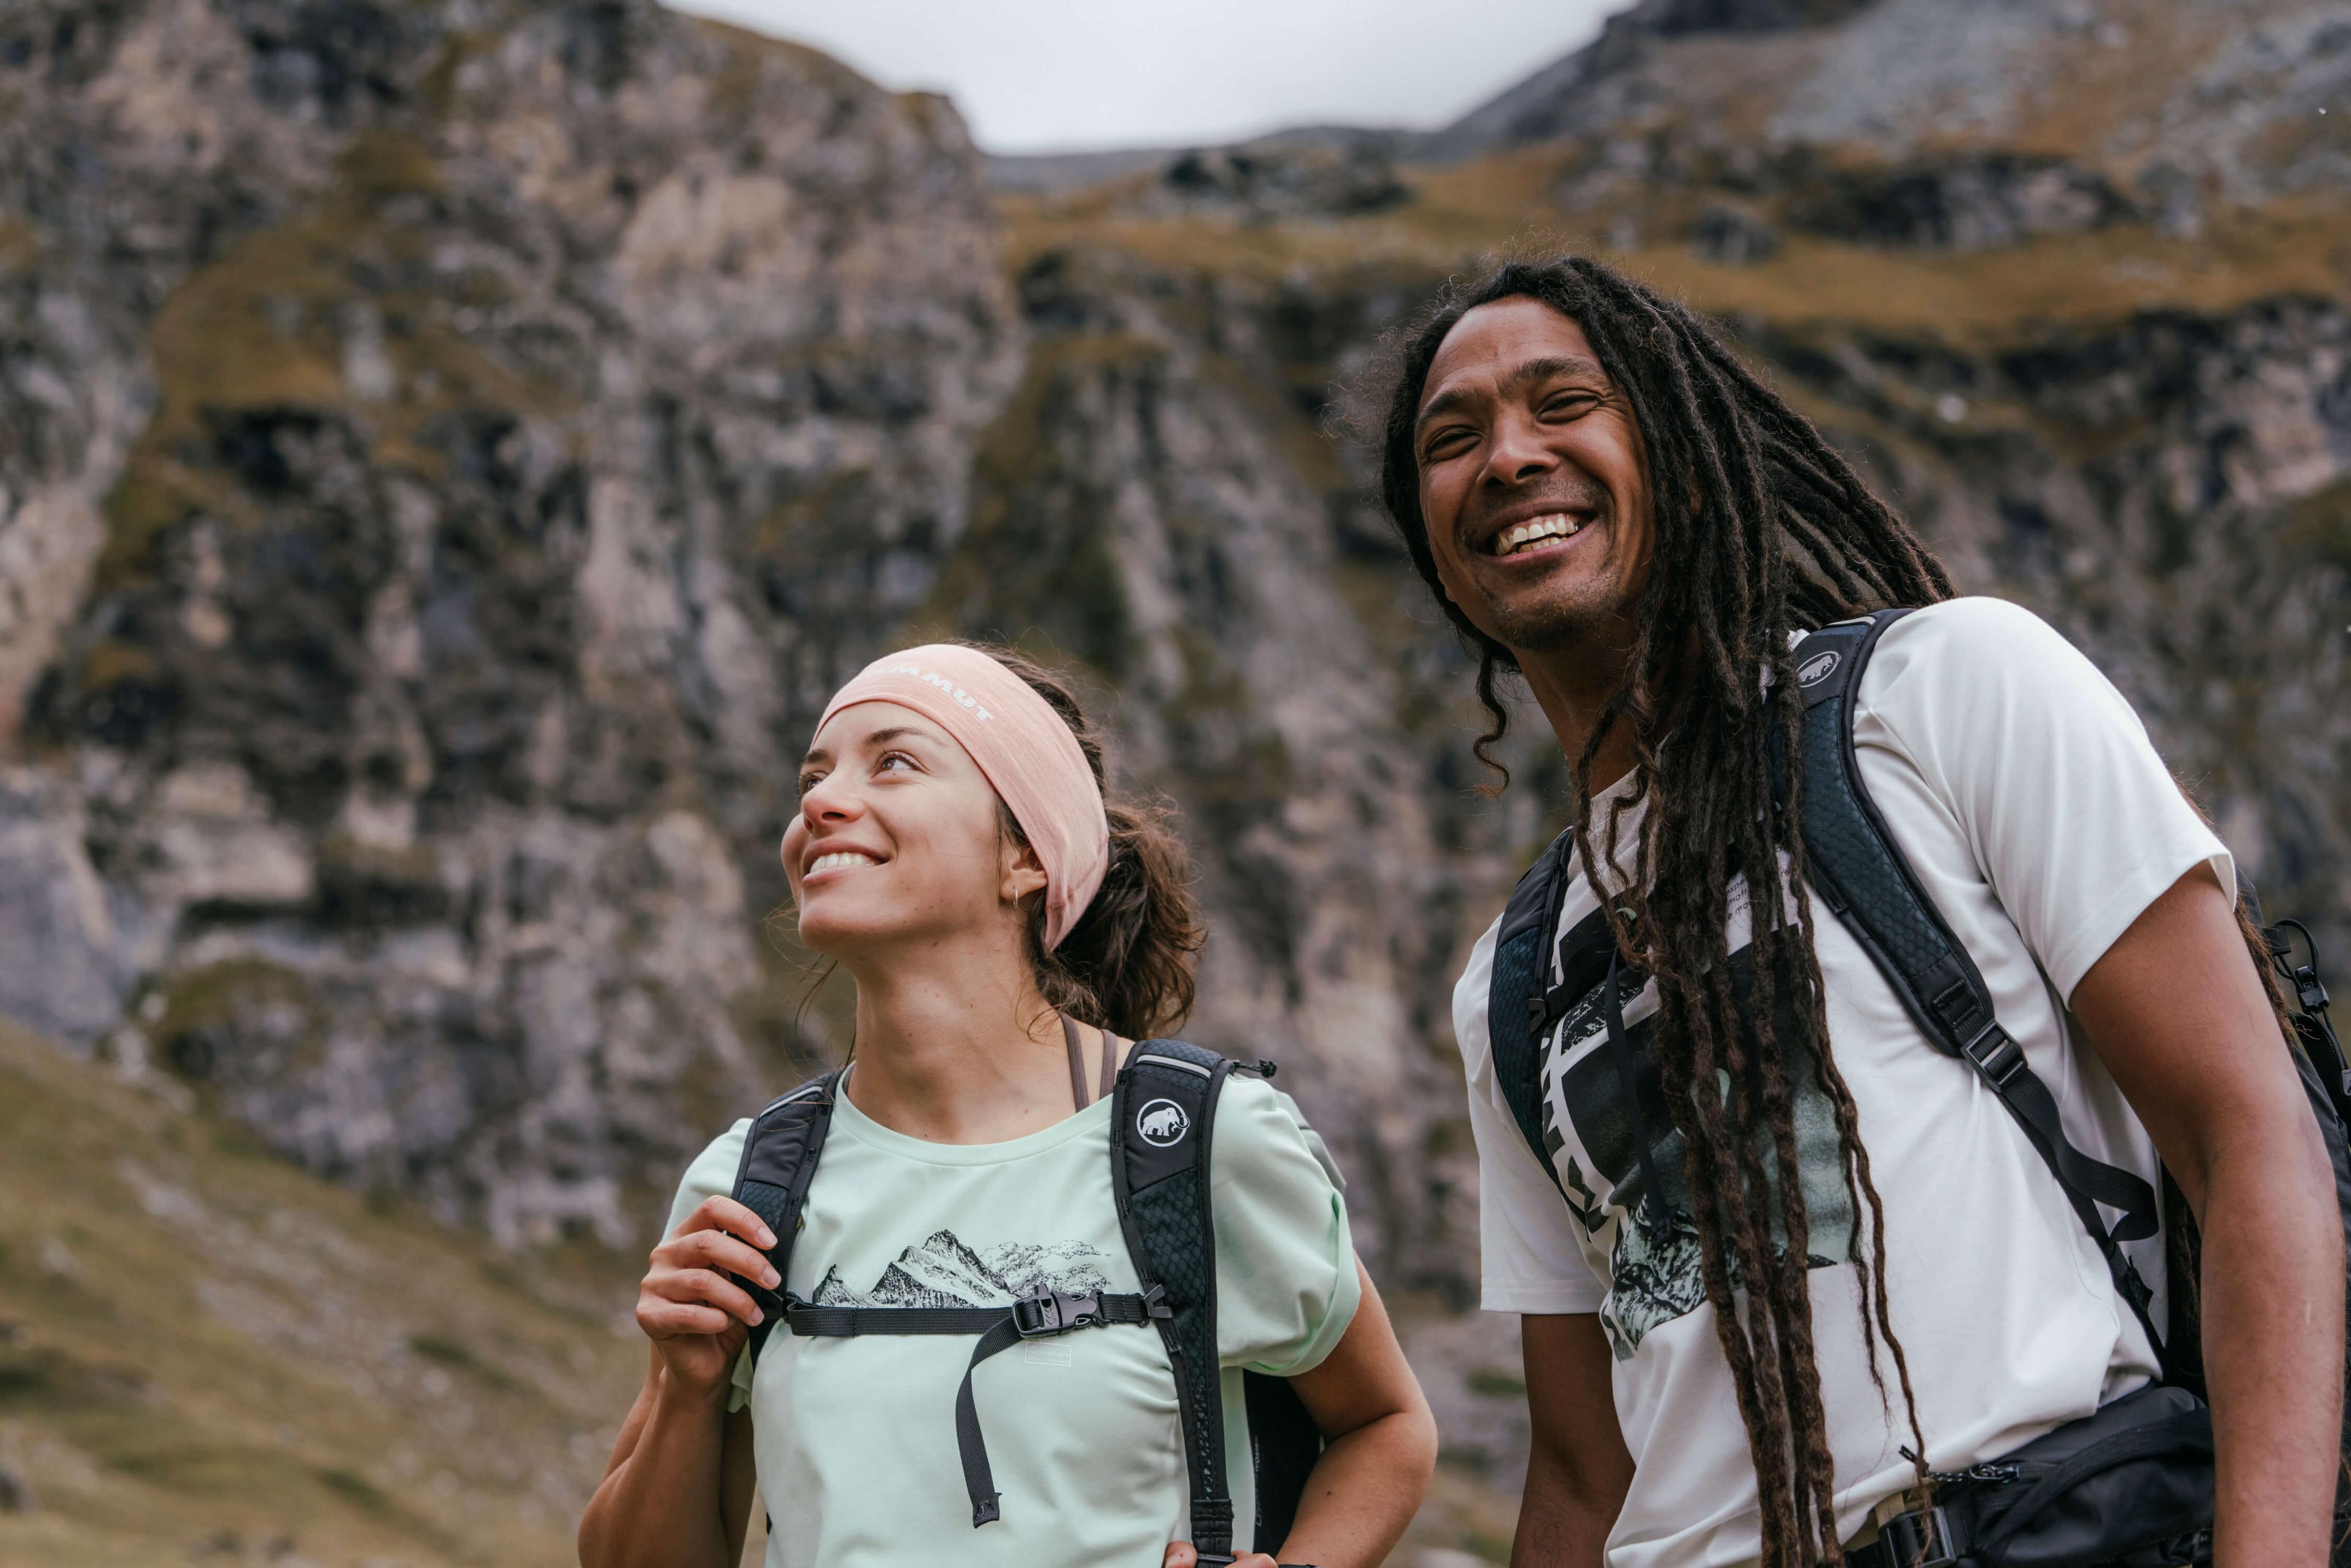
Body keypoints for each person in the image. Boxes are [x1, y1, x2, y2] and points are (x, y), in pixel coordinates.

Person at [1363, 252, 2342, 1567]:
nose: (1506, 457)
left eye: (1562, 402)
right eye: (1451, 436)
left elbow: (2245, 1136)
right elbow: (1584, 1471)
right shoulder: (1511, 980)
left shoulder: (1937, 694)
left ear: (1686, 459)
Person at [576, 642, 1436, 1568]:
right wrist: (685, 1391)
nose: (819, 804)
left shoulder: (1198, 1144)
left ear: (1025, 853)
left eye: (894, 762)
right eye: (812, 777)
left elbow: (1386, 1423)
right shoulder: (751, 1184)